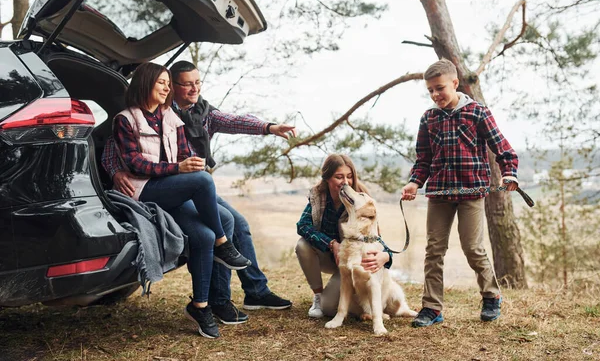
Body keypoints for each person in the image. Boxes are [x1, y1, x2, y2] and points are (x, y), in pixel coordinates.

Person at [103, 60, 294, 327]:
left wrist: (268, 127)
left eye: (198, 83)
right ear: (172, 87)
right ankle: (228, 284)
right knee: (226, 222)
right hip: (173, 182)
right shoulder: (132, 117)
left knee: (230, 223)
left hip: (189, 182)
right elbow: (114, 149)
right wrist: (115, 172)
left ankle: (226, 298)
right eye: (185, 84)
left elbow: (235, 121)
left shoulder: (200, 113)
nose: (194, 89)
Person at [400, 58, 519, 328]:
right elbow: (423, 159)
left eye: (439, 88)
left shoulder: (478, 112)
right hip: (439, 193)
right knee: (434, 250)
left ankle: (491, 295)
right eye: (430, 90)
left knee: (472, 248)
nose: (435, 94)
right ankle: (431, 307)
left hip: (471, 192)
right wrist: (414, 183)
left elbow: (502, 147)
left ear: (455, 83)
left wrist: (509, 171)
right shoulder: (428, 118)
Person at [295, 154, 395, 318]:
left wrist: (386, 256)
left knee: (328, 309)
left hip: (351, 264)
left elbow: (375, 236)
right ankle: (318, 297)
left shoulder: (360, 198)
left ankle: (369, 307)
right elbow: (303, 226)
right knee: (302, 246)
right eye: (339, 177)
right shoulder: (318, 196)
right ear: (327, 178)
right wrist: (332, 244)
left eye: (349, 176)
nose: (345, 182)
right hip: (328, 256)